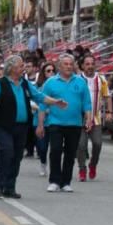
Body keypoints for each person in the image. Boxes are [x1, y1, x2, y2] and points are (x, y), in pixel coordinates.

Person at [0, 55, 65, 199]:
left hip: (21, 127)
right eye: (21, 66)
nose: (23, 68)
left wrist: (56, 102)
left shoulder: (25, 84)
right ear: (12, 68)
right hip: (3, 126)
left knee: (17, 156)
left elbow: (39, 97)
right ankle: (0, 185)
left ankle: (10, 187)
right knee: (6, 151)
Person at [39, 55, 92, 193]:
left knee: (70, 153)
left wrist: (89, 119)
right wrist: (40, 124)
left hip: (74, 123)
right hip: (55, 122)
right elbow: (43, 104)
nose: (69, 66)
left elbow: (87, 103)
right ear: (59, 67)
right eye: (66, 64)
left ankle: (66, 182)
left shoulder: (80, 82)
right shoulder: (50, 82)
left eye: (71, 64)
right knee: (55, 150)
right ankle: (54, 180)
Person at [77, 54, 111, 182]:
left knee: (97, 143)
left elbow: (107, 96)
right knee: (81, 145)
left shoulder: (101, 79)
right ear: (82, 66)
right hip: (79, 118)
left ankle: (93, 164)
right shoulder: (77, 79)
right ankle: (82, 168)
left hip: (95, 118)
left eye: (92, 64)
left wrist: (108, 111)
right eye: (87, 64)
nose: (90, 66)